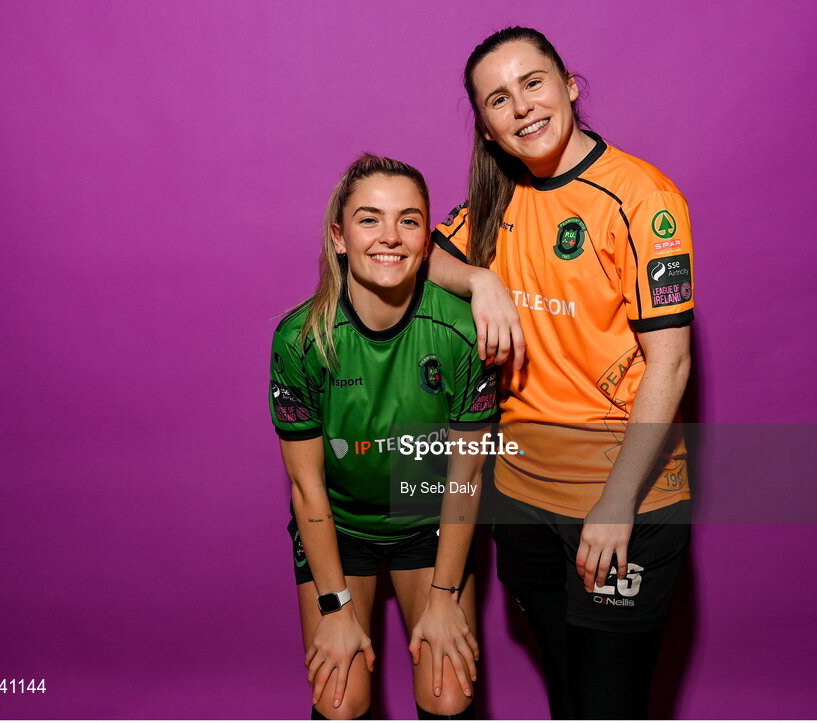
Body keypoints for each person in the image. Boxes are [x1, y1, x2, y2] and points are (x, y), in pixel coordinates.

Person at [426, 27, 695, 719]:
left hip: (618, 499)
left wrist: (616, 505)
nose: (521, 107)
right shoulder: (496, 200)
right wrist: (481, 278)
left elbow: (672, 360)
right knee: (569, 699)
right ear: (486, 127)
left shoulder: (642, 198)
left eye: (533, 83)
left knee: (609, 707)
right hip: (521, 498)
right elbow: (419, 254)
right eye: (498, 99)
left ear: (570, 84)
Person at [270, 154, 498, 720]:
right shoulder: (300, 339)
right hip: (340, 527)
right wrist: (335, 606)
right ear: (339, 236)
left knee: (450, 694)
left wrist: (444, 600)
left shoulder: (465, 331)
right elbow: (307, 491)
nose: (389, 237)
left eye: (409, 220)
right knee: (339, 700)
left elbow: (467, 478)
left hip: (427, 518)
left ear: (428, 242)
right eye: (369, 219)